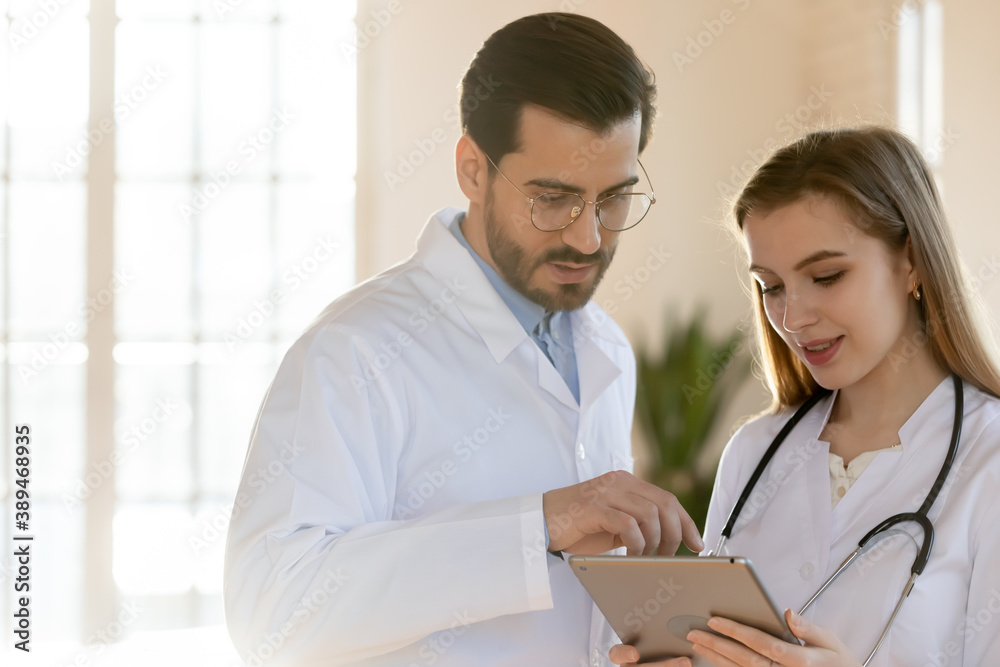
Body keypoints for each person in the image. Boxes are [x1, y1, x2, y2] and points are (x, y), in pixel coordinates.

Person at [223, 12, 703, 667]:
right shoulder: (356, 349)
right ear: (473, 170)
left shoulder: (606, 347)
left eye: (614, 199)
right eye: (553, 198)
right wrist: (535, 528)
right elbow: (272, 614)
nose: (589, 237)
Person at [611, 126, 1000, 667]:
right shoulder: (754, 452)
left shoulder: (989, 459)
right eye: (771, 286)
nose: (792, 318)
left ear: (911, 259)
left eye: (826, 276)